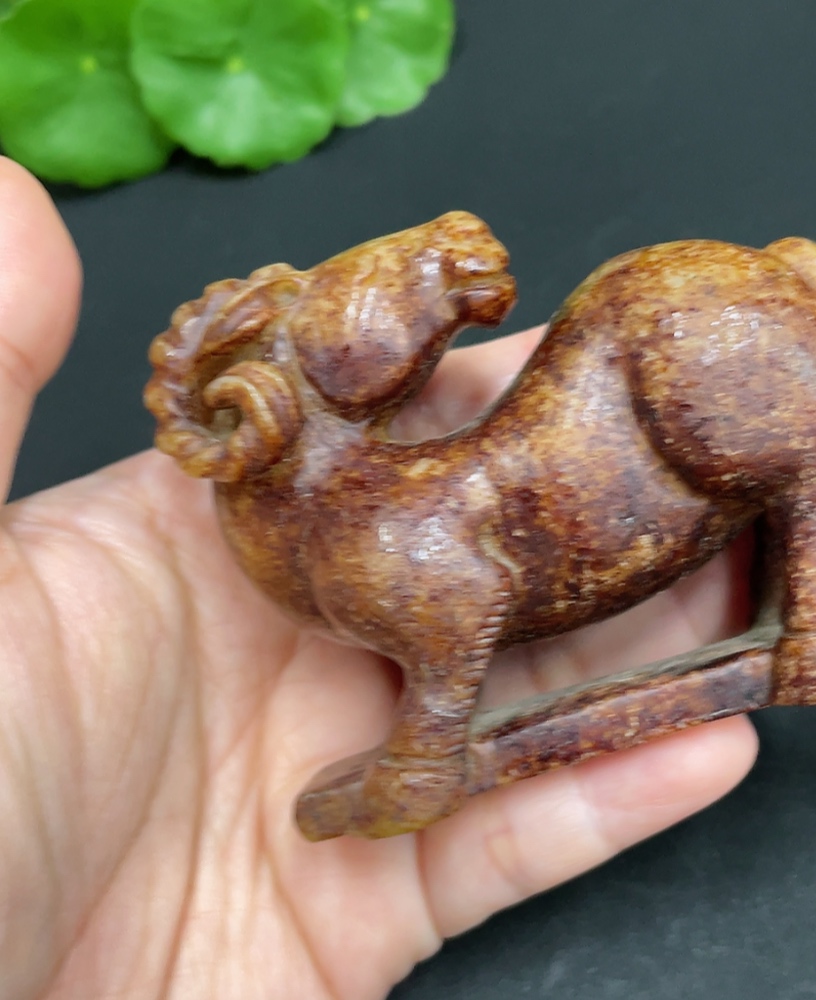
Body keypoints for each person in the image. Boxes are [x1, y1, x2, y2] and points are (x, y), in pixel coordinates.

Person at [0, 157, 757, 1000]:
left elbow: (460, 597)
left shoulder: (364, 520)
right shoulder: (340, 521)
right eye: (331, 302)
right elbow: (457, 598)